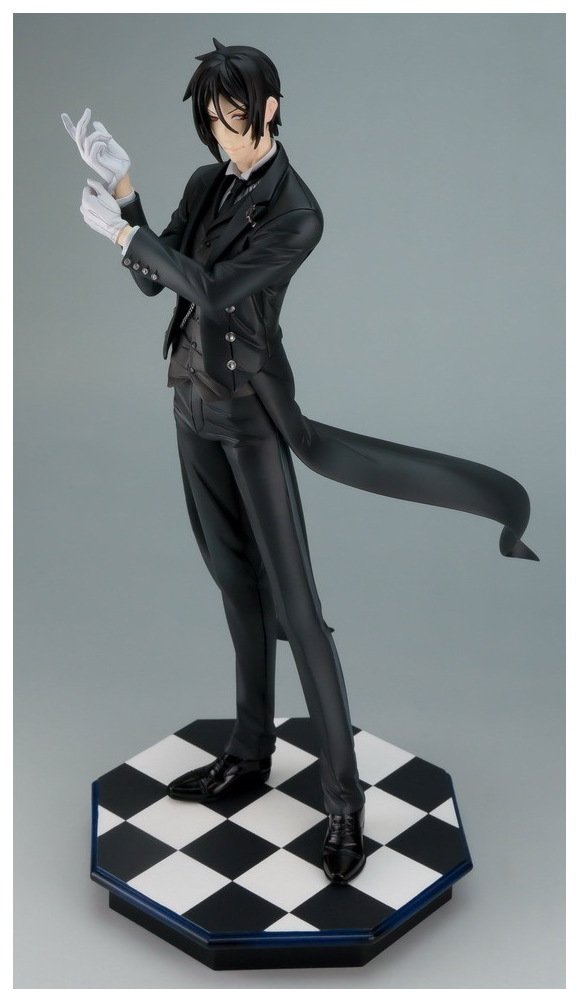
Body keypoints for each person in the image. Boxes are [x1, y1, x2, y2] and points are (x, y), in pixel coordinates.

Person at [62, 37, 538, 886]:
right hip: (189, 403)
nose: (222, 135)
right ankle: (249, 753)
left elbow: (212, 290)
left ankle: (344, 803)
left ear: (271, 109)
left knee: (297, 605)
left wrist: (127, 234)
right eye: (211, 121)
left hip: (250, 415)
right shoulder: (207, 182)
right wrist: (125, 192)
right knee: (231, 583)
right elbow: (156, 282)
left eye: (234, 118)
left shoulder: (297, 212)